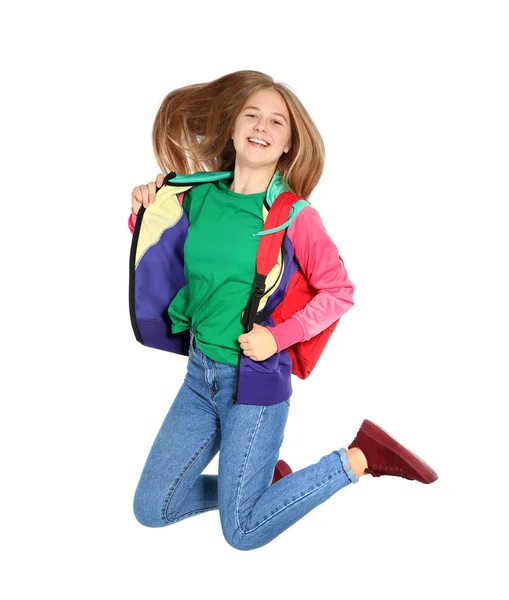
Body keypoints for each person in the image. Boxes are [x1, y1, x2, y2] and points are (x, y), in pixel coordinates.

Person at [128, 70, 438, 551]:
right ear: (232, 127)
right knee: (152, 509)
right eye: (251, 114)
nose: (261, 126)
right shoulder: (198, 196)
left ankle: (358, 458)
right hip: (199, 377)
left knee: (243, 532)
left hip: (253, 383)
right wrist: (145, 209)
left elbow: (339, 290)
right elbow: (164, 251)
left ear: (289, 144)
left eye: (276, 121)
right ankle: (255, 486)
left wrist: (280, 336)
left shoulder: (295, 215)